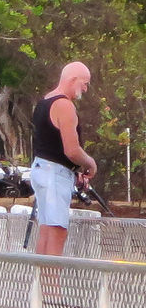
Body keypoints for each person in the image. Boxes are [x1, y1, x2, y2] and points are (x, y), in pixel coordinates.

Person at [31, 61, 96, 256]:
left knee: (47, 230)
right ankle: (52, 287)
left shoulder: (44, 102)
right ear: (73, 79)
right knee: (57, 231)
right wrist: (90, 164)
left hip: (42, 169)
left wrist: (75, 170)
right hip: (53, 174)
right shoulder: (64, 105)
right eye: (85, 83)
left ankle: (43, 285)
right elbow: (71, 150)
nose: (85, 88)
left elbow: (53, 146)